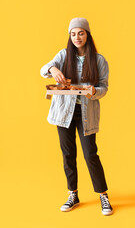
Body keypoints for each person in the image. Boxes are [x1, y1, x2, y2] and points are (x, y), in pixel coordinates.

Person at [40, 17, 113, 215]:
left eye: (80, 33)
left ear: (88, 34)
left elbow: (104, 87)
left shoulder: (99, 60)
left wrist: (93, 91)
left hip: (86, 113)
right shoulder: (63, 55)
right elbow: (43, 70)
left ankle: (103, 195)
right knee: (68, 155)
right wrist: (53, 68)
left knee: (90, 154)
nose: (77, 37)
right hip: (63, 113)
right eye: (73, 34)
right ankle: (73, 194)